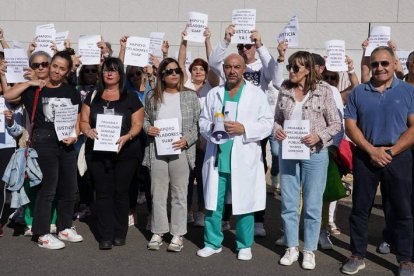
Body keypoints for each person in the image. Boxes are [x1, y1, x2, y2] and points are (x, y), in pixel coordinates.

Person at [342, 46, 414, 275]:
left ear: (394, 64)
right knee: (360, 209)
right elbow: (351, 126)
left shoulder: (408, 91)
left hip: (399, 156)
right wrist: (371, 150)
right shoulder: (359, 92)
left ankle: (405, 259)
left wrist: (391, 151)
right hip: (366, 156)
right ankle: (357, 255)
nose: (380, 68)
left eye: (384, 63)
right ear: (370, 66)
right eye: (375, 64)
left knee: (402, 209)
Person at [197, 53, 273, 260]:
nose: (232, 71)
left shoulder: (256, 94)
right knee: (213, 202)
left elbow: (268, 123)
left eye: (236, 67)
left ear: (243, 70)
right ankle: (212, 242)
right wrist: (212, 127)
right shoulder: (215, 94)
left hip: (244, 156)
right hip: (218, 156)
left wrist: (244, 128)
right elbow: (202, 121)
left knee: (244, 201)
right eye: (228, 67)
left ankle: (244, 244)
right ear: (224, 69)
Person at [4, 50, 83, 250]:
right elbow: (8, 94)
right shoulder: (33, 90)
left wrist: (75, 134)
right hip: (43, 141)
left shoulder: (70, 91)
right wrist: (29, 83)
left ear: (67, 72)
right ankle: (42, 233)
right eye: (53, 66)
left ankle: (65, 227)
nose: (55, 71)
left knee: (69, 187)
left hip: (66, 143)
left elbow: (77, 118)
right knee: (48, 189)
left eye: (61, 68)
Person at [209, 24, 278, 237]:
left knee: (249, 180)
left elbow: (276, 74)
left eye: (248, 46)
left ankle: (256, 222)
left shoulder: (261, 67)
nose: (245, 49)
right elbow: (213, 62)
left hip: (251, 132)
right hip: (222, 139)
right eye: (241, 46)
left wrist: (261, 45)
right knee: (221, 183)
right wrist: (226, 39)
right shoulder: (219, 87)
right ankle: (221, 225)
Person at [274, 51, 341, 269]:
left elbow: (336, 124)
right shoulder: (284, 90)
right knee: (289, 202)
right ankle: (291, 247)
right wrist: (278, 131)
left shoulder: (323, 91)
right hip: (289, 152)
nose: (291, 71)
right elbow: (276, 120)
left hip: (315, 153)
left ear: (308, 70)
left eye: (296, 67)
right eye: (290, 67)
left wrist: (319, 136)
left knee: (312, 204)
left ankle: (309, 249)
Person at [80, 57, 144, 250]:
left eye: (114, 70)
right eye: (106, 70)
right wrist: (88, 131)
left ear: (120, 74)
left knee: (121, 192)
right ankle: (105, 235)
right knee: (103, 193)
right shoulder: (92, 96)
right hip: (98, 153)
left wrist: (128, 136)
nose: (109, 73)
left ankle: (119, 232)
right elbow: (83, 121)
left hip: (125, 153)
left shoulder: (130, 97)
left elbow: (138, 125)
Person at [143, 57, 200, 252]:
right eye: (168, 71)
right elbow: (144, 118)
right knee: (157, 192)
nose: (174, 74)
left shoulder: (190, 96)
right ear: (161, 75)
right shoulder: (152, 96)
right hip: (157, 150)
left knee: (179, 193)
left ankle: (178, 234)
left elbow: (197, 124)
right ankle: (158, 231)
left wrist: (187, 139)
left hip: (181, 149)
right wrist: (148, 128)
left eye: (176, 70)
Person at [178, 25, 219, 227]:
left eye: (201, 69)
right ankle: (185, 210)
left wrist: (207, 41)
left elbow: (213, 65)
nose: (198, 72)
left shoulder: (211, 86)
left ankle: (201, 211)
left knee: (203, 177)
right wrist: (184, 40)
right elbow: (179, 64)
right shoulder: (185, 85)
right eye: (195, 69)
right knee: (186, 176)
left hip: (204, 138)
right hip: (187, 137)